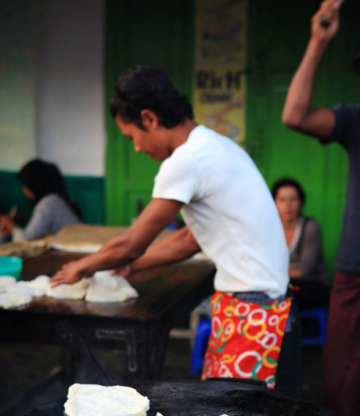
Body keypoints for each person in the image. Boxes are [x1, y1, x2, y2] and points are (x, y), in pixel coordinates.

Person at [50, 65, 303, 396]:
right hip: (275, 308)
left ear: (149, 119)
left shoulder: (185, 161)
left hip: (253, 315)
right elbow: (189, 238)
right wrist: (133, 266)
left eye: (132, 137)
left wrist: (80, 267)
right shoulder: (216, 144)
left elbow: (130, 242)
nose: (137, 148)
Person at [282, 0, 359, 416]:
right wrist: (318, 41)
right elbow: (294, 115)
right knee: (343, 384)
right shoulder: (356, 121)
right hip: (354, 277)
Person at [272, 177, 330, 309]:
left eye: (293, 199)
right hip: (283, 283)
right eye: (282, 199)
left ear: (301, 202)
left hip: (311, 285)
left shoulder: (310, 227)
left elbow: (303, 272)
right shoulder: (270, 229)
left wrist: (269, 273)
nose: (288, 205)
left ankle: (290, 329)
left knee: (287, 295)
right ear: (274, 203)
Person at [0, 159, 82, 241]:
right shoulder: (54, 199)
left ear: (34, 185)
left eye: (25, 185)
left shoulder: (48, 203)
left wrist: (10, 225)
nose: (24, 190)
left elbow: (25, 241)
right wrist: (22, 218)